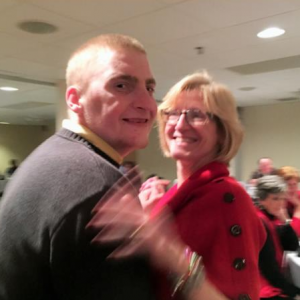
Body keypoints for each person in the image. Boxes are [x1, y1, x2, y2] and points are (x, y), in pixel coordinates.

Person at [0, 34, 158, 300]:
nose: (148, 103)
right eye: (121, 85)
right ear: (75, 99)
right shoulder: (102, 186)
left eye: (150, 88)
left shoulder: (51, 155)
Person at [89, 72, 267, 300]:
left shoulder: (227, 196)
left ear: (222, 132)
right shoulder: (176, 194)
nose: (180, 125)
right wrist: (147, 217)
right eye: (172, 113)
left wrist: (167, 250)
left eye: (197, 115)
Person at [255, 175, 300, 300]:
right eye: (275, 199)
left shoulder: (271, 217)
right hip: (262, 288)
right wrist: (292, 291)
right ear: (261, 199)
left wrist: (285, 221)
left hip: (271, 282)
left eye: (283, 198)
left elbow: (292, 246)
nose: (281, 203)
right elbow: (268, 267)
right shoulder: (260, 221)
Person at [277, 166, 300, 236]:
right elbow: (294, 232)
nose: (293, 189)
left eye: (295, 184)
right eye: (289, 185)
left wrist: (298, 205)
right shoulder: (277, 201)